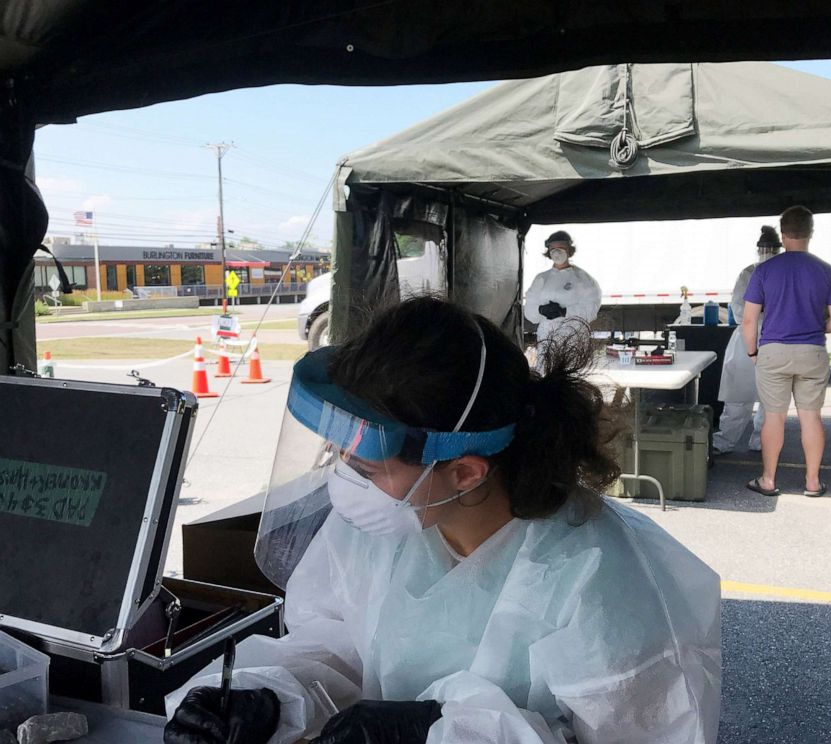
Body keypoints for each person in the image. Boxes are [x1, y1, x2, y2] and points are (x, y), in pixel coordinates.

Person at [164, 296, 721, 744]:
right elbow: (338, 645)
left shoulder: (600, 580)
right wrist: (269, 698)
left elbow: (641, 733)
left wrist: (438, 731)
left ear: (465, 473)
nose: (344, 480)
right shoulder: (389, 527)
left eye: (365, 465)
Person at [742, 206, 831, 498]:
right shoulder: (827, 271)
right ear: (811, 233)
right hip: (812, 351)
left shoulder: (764, 271)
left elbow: (749, 321)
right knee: (811, 417)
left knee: (773, 417)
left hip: (773, 351)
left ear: (783, 234)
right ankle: (812, 482)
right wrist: (815, 327)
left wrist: (753, 352)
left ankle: (768, 480)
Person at [712, 226, 782, 454]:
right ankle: (745, 440)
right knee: (753, 396)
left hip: (754, 339)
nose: (767, 252)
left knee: (760, 398)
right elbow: (739, 309)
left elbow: (740, 309)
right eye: (766, 249)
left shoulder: (751, 273)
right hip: (770, 338)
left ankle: (741, 440)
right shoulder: (753, 273)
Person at [524, 230, 602, 345]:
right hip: (546, 339)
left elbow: (591, 309)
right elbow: (530, 310)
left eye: (561, 247)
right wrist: (541, 310)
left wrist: (565, 312)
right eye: (552, 249)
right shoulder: (541, 279)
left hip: (574, 340)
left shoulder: (583, 279)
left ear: (569, 250)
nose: (556, 252)